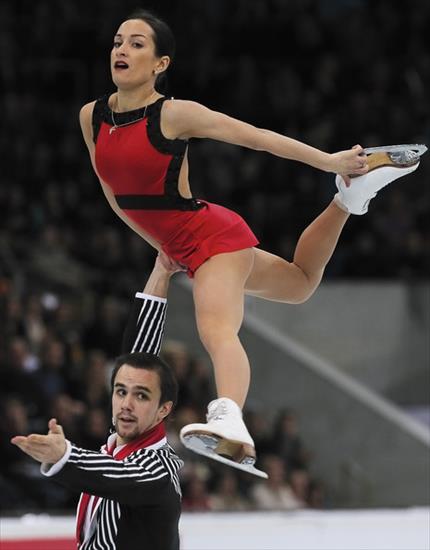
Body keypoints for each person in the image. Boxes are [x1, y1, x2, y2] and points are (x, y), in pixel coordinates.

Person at [78, 8, 421, 471]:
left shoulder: (175, 114)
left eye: (138, 44)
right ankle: (348, 201)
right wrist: (162, 249)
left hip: (209, 235)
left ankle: (228, 421)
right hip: (186, 246)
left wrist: (329, 160)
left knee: (216, 328)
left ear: (161, 63)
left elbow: (256, 137)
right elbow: (117, 199)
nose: (122, 49)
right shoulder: (91, 117)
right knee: (300, 285)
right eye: (118, 41)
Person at [11, 253, 185, 550]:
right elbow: (138, 353)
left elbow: (115, 475)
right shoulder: (122, 443)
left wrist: (64, 454)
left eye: (141, 395)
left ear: (163, 411)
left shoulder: (157, 470)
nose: (126, 403)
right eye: (120, 391)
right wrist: (162, 270)